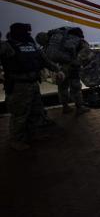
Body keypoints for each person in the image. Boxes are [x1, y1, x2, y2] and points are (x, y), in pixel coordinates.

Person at [0, 23, 64, 151]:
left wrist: (58, 70)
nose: (29, 34)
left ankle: (33, 134)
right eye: (26, 32)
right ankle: (16, 140)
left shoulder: (31, 45)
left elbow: (44, 60)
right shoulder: (7, 46)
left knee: (36, 111)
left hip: (33, 84)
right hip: (18, 86)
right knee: (20, 115)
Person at [57, 27, 91, 115]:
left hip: (61, 68)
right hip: (73, 67)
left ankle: (65, 107)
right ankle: (79, 107)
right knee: (76, 88)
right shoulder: (80, 41)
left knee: (62, 87)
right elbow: (87, 53)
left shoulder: (62, 40)